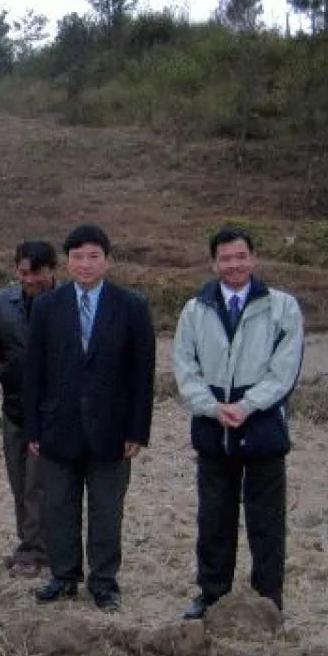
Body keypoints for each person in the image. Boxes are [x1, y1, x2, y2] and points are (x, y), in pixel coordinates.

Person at [173, 228, 303, 620]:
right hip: (213, 428)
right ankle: (212, 593)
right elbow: (185, 368)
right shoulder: (195, 310)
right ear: (214, 263)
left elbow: (284, 370)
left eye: (241, 256)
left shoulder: (282, 307)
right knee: (214, 517)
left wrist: (247, 405)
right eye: (226, 258)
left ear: (254, 258)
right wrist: (213, 407)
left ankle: (268, 598)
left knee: (266, 520)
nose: (234, 265)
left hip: (262, 427)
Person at [26, 224, 154, 612]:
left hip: (112, 429)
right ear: (67, 262)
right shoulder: (47, 306)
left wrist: (137, 430)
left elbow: (142, 373)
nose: (85, 264)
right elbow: (34, 372)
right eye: (78, 257)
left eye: (93, 256)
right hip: (58, 427)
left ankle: (104, 581)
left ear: (107, 261)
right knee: (59, 506)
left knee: (106, 509)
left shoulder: (131, 305)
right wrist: (34, 427)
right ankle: (63, 576)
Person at [0, 240, 58, 578]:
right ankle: (31, 541)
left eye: (37, 272)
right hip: (13, 408)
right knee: (18, 479)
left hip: (51, 412)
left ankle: (36, 549)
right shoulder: (2, 303)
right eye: (23, 273)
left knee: (38, 482)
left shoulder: (65, 304)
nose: (30, 279)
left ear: (52, 270)